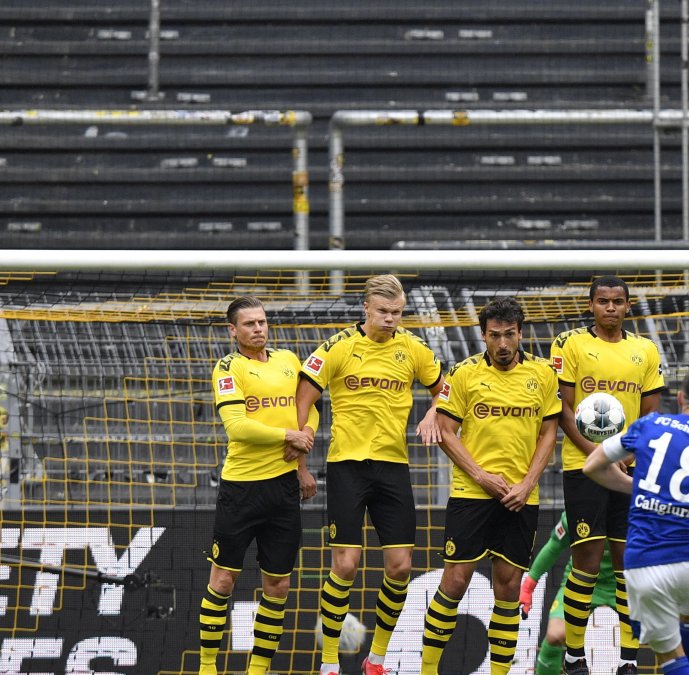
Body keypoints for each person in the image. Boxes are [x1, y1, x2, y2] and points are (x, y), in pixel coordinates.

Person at [296, 275, 445, 675]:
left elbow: (443, 389)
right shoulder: (339, 346)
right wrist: (301, 459)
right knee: (345, 566)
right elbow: (305, 395)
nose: (390, 319)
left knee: (400, 566)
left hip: (393, 468)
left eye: (397, 313)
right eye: (383, 312)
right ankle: (329, 662)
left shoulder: (412, 348)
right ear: (365, 308)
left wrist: (434, 409)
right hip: (346, 466)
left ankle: (375, 659)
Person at [419, 296, 562, 675]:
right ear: (483, 334)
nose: (502, 344)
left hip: (519, 497)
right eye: (495, 335)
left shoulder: (544, 374)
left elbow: (549, 432)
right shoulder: (464, 374)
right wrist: (481, 476)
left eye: (509, 335)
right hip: (471, 495)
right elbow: (446, 432)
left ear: (520, 334)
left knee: (508, 587)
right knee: (455, 581)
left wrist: (529, 483)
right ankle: (428, 669)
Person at [584, 366, 689, 675]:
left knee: (670, 658)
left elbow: (592, 466)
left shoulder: (649, 426)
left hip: (646, 560)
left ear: (679, 398)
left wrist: (636, 487)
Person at [551, 275, 666, 675]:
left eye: (618, 301)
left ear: (628, 306)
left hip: (630, 470)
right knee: (586, 559)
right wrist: (601, 455)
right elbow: (564, 410)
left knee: (627, 563)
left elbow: (651, 414)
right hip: (584, 469)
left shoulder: (645, 350)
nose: (611, 308)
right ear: (591, 305)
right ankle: (574, 655)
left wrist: (629, 454)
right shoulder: (570, 344)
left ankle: (628, 661)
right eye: (603, 301)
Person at [200, 296, 319, 675]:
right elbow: (237, 426)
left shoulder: (288, 361)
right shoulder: (227, 368)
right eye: (250, 324)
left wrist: (305, 443)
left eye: (263, 322)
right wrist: (289, 434)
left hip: (283, 490)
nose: (259, 329)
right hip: (241, 489)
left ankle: (258, 670)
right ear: (232, 330)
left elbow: (310, 406)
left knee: (279, 586)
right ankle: (206, 667)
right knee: (223, 580)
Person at [518, 512, 689, 675]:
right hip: (582, 584)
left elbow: (668, 550)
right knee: (555, 635)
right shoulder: (580, 510)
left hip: (628, 585)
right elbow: (553, 547)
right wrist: (528, 586)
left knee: (663, 639)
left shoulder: (640, 514)